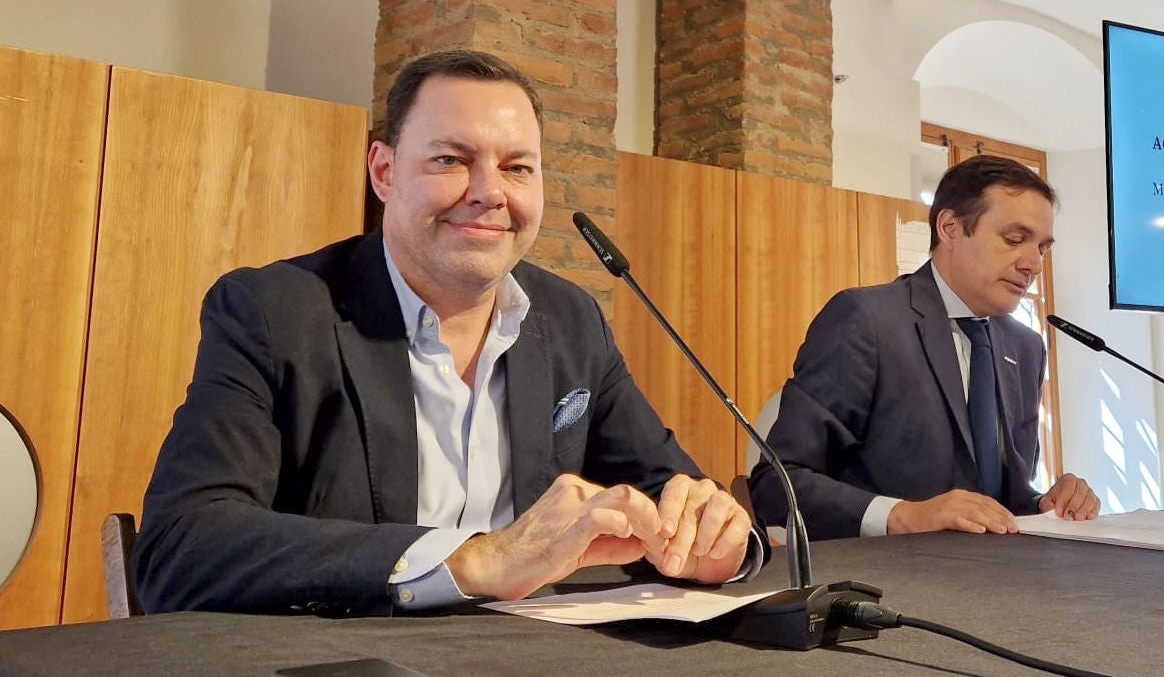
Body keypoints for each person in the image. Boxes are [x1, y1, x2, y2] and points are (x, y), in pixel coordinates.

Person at [135, 49, 760, 616]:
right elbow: (181, 547)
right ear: (384, 172)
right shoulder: (273, 312)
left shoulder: (570, 320)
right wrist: (478, 559)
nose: (490, 193)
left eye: (517, 168)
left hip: (535, 673)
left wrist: (712, 543)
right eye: (451, 160)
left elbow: (665, 493)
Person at [749, 154, 1099, 540]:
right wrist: (902, 515)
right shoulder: (867, 320)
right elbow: (776, 485)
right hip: (885, 580)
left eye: (1043, 248)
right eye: (1015, 239)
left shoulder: (1026, 346)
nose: (1033, 263)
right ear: (950, 228)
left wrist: (1047, 505)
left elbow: (1003, 498)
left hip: (999, 579)